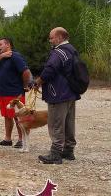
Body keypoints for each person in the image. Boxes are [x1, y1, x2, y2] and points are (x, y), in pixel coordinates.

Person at [35, 27, 80, 164]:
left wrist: (38, 82)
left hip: (58, 93)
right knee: (68, 122)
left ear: (60, 37)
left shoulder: (58, 52)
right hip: (71, 92)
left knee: (56, 122)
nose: (50, 40)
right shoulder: (72, 50)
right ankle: (68, 150)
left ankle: (55, 153)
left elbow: (50, 70)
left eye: (52, 37)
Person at [0, 38, 32, 148]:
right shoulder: (1, 57)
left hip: (15, 92)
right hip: (3, 92)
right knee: (6, 116)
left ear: (8, 45)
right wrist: (2, 56)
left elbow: (26, 72)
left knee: (18, 116)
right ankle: (7, 139)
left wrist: (25, 85)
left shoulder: (15, 56)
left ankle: (21, 140)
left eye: (0, 44)